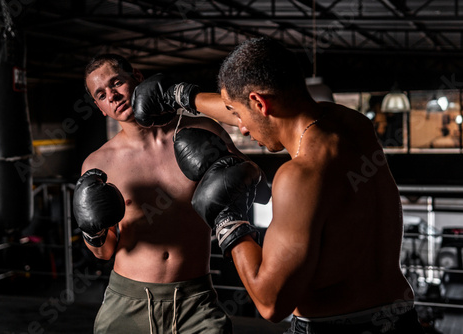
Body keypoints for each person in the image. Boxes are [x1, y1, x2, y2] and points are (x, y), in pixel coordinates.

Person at [138, 37, 427, 334]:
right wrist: (181, 96)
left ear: (260, 103)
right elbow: (248, 107)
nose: (242, 128)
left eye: (239, 116)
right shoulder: (352, 123)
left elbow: (270, 305)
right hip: (401, 320)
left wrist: (228, 220)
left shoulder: (298, 176)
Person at [73, 53, 270, 334]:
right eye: (102, 94)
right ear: (99, 107)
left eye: (117, 83)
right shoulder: (98, 163)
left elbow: (261, 192)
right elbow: (103, 252)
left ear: (137, 78)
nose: (113, 96)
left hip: (195, 300)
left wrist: (236, 171)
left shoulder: (202, 130)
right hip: (128, 302)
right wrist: (93, 232)